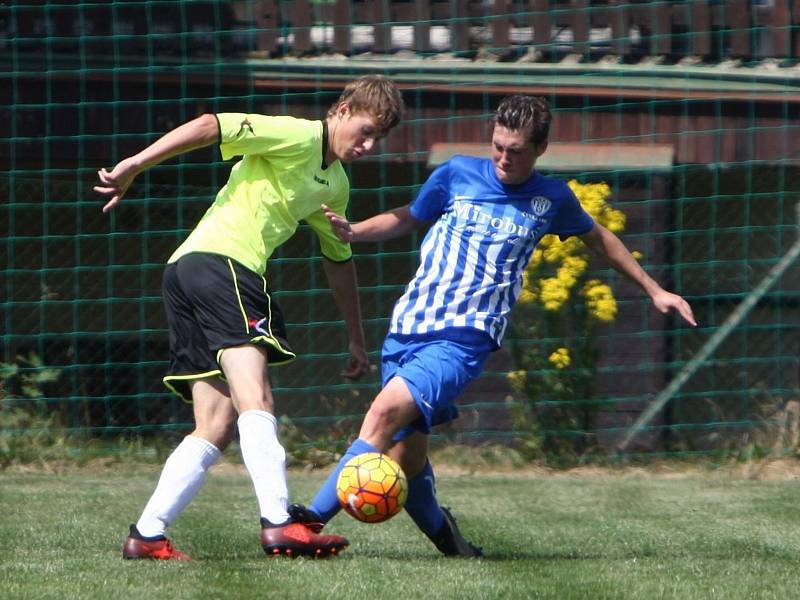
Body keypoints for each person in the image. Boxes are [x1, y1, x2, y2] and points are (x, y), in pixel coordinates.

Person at [288, 94, 697, 557]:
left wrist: (654, 289)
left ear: (540, 149)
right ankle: (453, 545)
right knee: (407, 456)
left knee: (382, 415)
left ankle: (306, 525)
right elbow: (409, 217)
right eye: (498, 146)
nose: (503, 158)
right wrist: (356, 230)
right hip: (408, 326)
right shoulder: (456, 173)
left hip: (465, 338)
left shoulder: (551, 199)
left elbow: (600, 239)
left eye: (516, 150)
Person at [93, 75, 404, 560]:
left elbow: (338, 257)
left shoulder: (336, 184)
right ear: (342, 109)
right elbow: (209, 125)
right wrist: (135, 164)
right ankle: (280, 523)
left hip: (186, 270)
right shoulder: (297, 134)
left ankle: (147, 534)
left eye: (376, 140)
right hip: (224, 266)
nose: (366, 145)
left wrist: (355, 337)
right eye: (364, 131)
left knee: (215, 423)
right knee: (255, 395)